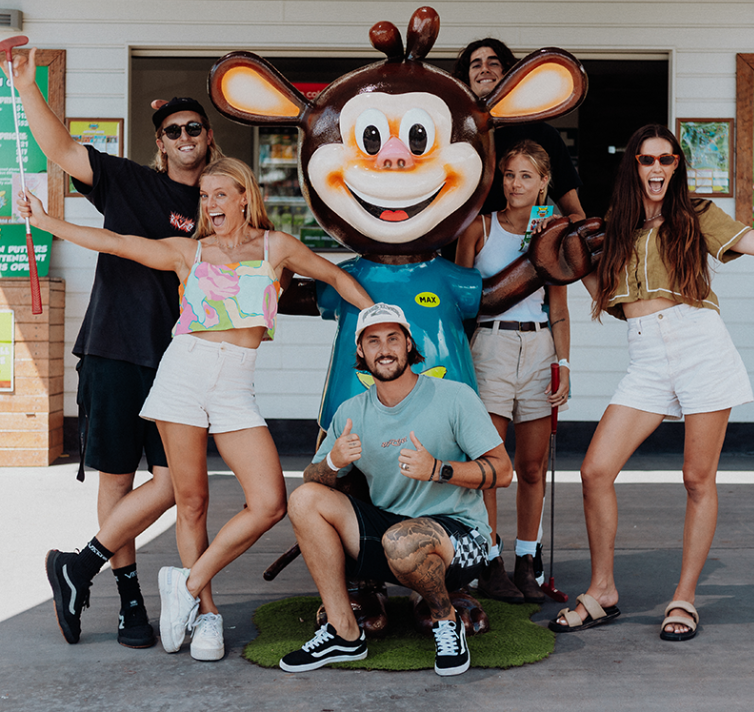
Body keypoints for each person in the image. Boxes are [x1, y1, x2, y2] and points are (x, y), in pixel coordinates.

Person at [19, 157, 374, 660]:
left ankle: (185, 584)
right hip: (185, 373)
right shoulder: (190, 251)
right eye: (204, 197)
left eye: (219, 195)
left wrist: (383, 318)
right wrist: (46, 221)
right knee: (191, 502)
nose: (209, 205)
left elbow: (336, 277)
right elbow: (117, 243)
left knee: (269, 502)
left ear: (245, 196)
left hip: (236, 385)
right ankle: (206, 615)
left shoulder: (276, 247)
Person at [1, 47, 225, 648]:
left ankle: (78, 567)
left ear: (208, 137)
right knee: (118, 479)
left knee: (178, 484)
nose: (184, 137)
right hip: (115, 348)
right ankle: (130, 603)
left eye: (193, 128)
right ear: (161, 142)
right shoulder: (129, 181)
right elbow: (61, 150)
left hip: (183, 361)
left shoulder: (220, 202)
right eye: (173, 130)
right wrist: (26, 87)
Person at [551, 123, 754, 641]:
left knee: (697, 479)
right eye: (647, 159)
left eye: (666, 159)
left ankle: (684, 598)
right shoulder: (615, 225)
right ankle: (603, 590)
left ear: (677, 166)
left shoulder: (697, 214)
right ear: (633, 166)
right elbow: (609, 298)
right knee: (594, 470)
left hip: (701, 345)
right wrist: (572, 265)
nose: (657, 167)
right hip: (646, 356)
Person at [279, 303, 513, 676]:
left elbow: (503, 471)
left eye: (393, 338)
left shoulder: (455, 397)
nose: (384, 349)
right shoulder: (351, 411)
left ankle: (446, 621)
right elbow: (313, 479)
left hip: (460, 538)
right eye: (373, 341)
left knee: (403, 541)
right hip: (391, 533)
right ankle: (343, 632)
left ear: (408, 345)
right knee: (304, 499)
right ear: (360, 350)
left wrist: (438, 469)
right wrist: (334, 462)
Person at [456, 140, 570, 605]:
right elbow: (459, 302)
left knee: (532, 466)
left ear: (544, 182)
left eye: (526, 176)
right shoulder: (479, 227)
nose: (516, 184)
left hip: (539, 346)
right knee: (490, 465)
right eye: (509, 175)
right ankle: (489, 561)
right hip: (491, 346)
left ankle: (527, 561)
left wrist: (563, 363)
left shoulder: (554, 231)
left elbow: (558, 307)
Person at [453, 38, 585, 222]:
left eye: (493, 63)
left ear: (509, 74)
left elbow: (576, 214)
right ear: (466, 78)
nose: (484, 69)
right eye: (476, 65)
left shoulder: (544, 135)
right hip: (467, 240)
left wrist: (555, 227)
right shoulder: (453, 136)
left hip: (528, 240)